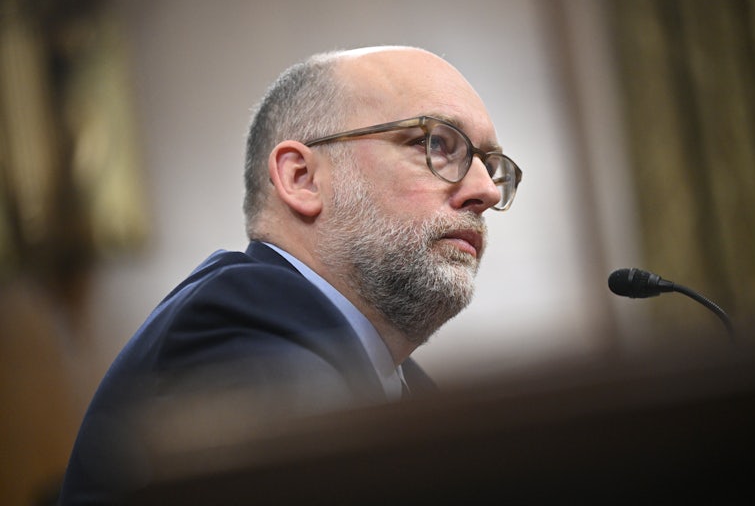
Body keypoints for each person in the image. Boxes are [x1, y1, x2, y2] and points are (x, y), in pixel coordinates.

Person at [58, 45, 522, 504]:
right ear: (302, 178)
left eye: (491, 166)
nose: (483, 190)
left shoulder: (402, 383)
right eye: (437, 143)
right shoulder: (236, 328)